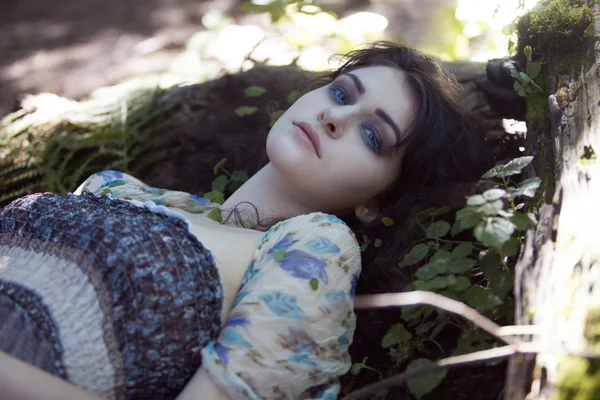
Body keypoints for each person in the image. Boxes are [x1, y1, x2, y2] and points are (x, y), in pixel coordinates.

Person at [0, 42, 492, 400]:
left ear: (377, 204)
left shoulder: (313, 249)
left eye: (371, 135)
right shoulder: (115, 187)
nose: (334, 118)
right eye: (342, 95)